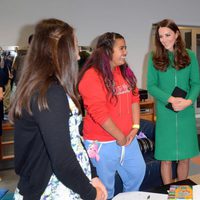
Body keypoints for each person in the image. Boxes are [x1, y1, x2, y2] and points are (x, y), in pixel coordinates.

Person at [9, 18, 107, 200]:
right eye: (75, 47)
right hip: (53, 188)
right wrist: (91, 193)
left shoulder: (53, 88)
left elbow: (74, 140)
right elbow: (62, 159)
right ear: (61, 51)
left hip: (70, 183)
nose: (78, 55)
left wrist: (93, 175)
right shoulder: (49, 92)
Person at [78, 32, 146, 199]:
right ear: (107, 51)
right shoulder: (92, 76)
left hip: (127, 139)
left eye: (125, 48)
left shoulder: (125, 72)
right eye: (121, 48)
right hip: (102, 142)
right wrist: (119, 137)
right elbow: (99, 113)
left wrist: (135, 128)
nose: (125, 52)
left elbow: (135, 99)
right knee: (105, 189)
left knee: (137, 172)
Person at [147, 19, 200, 185]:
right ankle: (168, 191)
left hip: (185, 113)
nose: (164, 39)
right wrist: (169, 99)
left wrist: (188, 101)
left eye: (168, 35)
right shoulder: (153, 58)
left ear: (177, 34)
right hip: (165, 112)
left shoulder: (190, 56)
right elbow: (151, 86)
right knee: (166, 159)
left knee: (185, 158)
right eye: (161, 36)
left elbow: (196, 83)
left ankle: (181, 191)